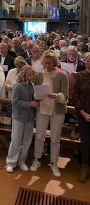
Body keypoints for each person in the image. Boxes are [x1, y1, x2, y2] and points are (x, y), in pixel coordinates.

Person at [30, 50, 69, 177]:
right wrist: (37, 94)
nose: (46, 66)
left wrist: (56, 95)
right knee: (40, 135)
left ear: (55, 63)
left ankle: (54, 163)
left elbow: (66, 95)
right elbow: (35, 93)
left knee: (55, 138)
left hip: (57, 109)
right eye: (45, 63)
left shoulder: (62, 75)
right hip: (42, 108)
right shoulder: (39, 75)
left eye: (49, 63)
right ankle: (37, 159)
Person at [5, 65, 38, 173]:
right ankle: (11, 162)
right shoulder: (18, 86)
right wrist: (29, 104)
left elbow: (34, 99)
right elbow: (14, 101)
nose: (32, 77)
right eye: (30, 75)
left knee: (27, 140)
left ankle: (21, 161)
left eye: (33, 74)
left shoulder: (32, 86)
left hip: (29, 118)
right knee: (16, 140)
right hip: (19, 117)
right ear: (24, 75)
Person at [73, 52, 90, 182]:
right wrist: (83, 112)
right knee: (85, 142)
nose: (89, 61)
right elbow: (75, 96)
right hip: (83, 114)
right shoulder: (80, 76)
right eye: (88, 59)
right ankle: (84, 167)